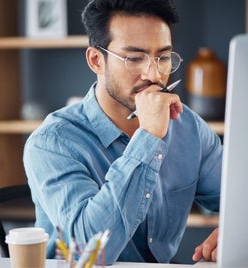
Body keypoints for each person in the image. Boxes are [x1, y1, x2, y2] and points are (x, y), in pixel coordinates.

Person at [23, 0, 222, 265]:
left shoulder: (189, 127)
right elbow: (90, 253)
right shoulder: (51, 143)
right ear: (96, 60)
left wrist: (236, 230)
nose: (153, 74)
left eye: (162, 57)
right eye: (134, 58)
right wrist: (148, 137)